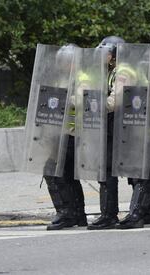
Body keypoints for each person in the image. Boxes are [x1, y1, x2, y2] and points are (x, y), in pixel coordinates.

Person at [45, 44, 87, 230]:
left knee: (53, 171)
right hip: (61, 134)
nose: (61, 65)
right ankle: (77, 214)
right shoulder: (63, 78)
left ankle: (66, 213)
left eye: (63, 62)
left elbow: (82, 101)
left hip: (74, 134)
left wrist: (64, 98)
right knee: (68, 175)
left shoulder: (82, 79)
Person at [87, 36, 125, 230]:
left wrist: (94, 105)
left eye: (106, 52)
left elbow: (114, 101)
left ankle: (111, 214)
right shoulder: (106, 72)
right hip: (107, 126)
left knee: (113, 171)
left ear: (114, 55)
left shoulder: (122, 72)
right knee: (105, 170)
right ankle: (107, 213)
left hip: (120, 127)